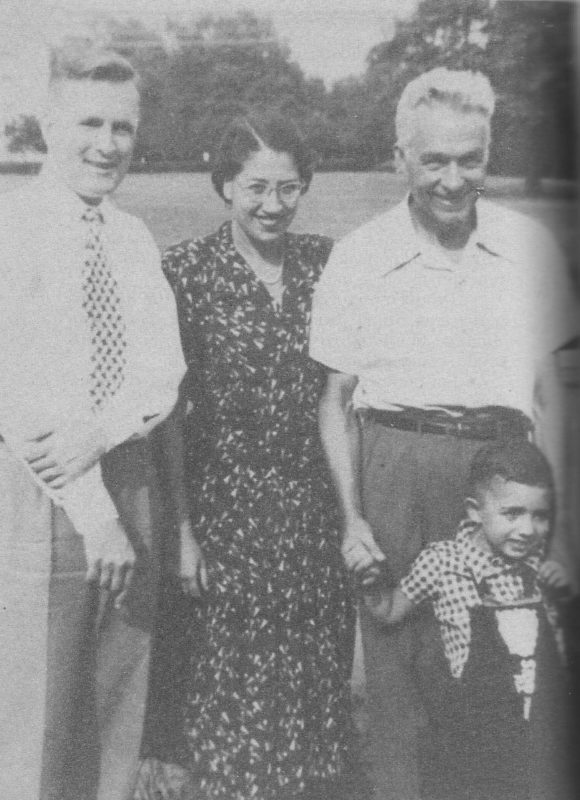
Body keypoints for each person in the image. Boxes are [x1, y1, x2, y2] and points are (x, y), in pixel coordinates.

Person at [309, 67, 579, 800]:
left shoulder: (529, 247)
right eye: (434, 159)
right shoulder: (359, 254)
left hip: (503, 474)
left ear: (490, 156)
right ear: (401, 159)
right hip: (396, 464)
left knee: (502, 670)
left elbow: (552, 394)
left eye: (471, 158)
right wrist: (353, 518)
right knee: (399, 672)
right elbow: (334, 400)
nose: (453, 179)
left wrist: (560, 523)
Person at [144, 110, 355, 800]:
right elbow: (169, 415)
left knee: (311, 689)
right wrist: (181, 532)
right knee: (229, 699)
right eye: (256, 187)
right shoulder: (185, 273)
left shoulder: (328, 264)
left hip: (312, 515)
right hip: (224, 513)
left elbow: (347, 393)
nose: (273, 205)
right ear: (225, 186)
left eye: (289, 188)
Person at [0, 45, 185, 800]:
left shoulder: (132, 237)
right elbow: (21, 401)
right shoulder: (14, 230)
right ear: (48, 123)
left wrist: (107, 441)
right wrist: (96, 514)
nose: (108, 144)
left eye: (123, 126)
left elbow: (162, 373)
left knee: (118, 707)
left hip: (128, 477)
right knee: (38, 717)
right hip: (45, 495)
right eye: (89, 123)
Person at [362, 438, 574, 800]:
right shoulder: (443, 561)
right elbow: (390, 610)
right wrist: (371, 583)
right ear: (475, 511)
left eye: (539, 516)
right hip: (473, 728)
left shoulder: (539, 565)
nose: (528, 529)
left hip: (534, 726)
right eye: (512, 513)